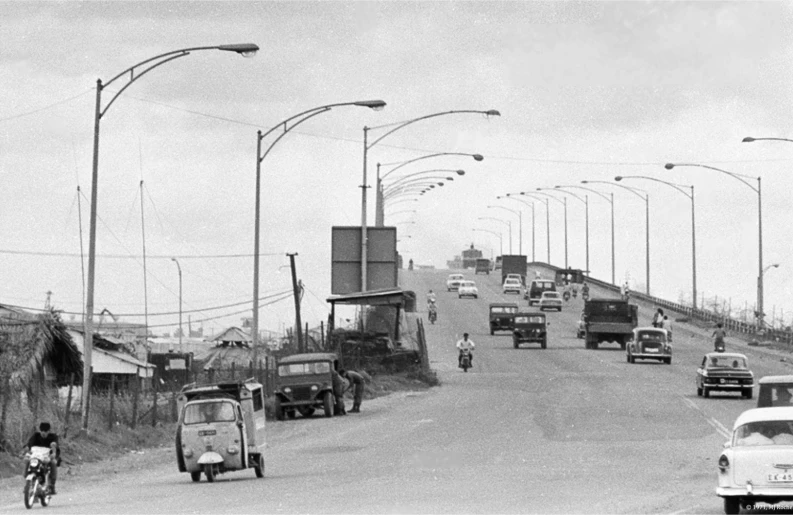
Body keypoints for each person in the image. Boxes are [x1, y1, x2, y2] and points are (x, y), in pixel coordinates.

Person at [23, 422, 59, 495]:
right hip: (36, 455)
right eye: (42, 431)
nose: (43, 433)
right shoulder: (36, 435)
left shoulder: (53, 436)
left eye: (45, 431)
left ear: (49, 431)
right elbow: (30, 443)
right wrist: (26, 447)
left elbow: (55, 444)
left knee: (53, 463)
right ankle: (27, 481)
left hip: (48, 455)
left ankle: (52, 485)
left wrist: (54, 446)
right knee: (28, 460)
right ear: (40, 430)